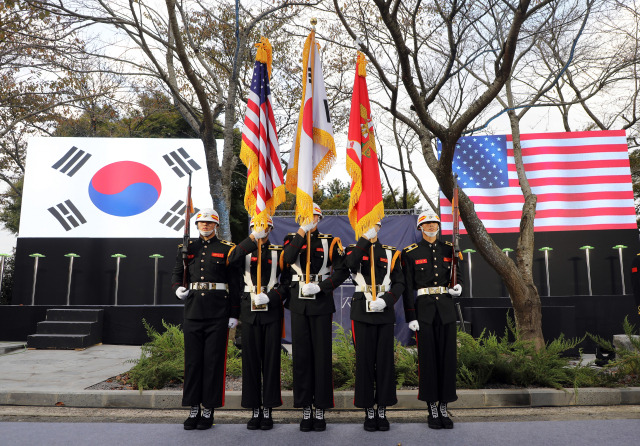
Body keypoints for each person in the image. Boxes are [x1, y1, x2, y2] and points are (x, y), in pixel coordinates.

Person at [282, 203, 349, 432]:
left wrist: (322, 287)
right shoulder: (292, 238)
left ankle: (320, 407)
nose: (311, 220)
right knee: (301, 357)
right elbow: (288, 259)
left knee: (322, 357)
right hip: (299, 304)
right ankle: (305, 408)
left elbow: (342, 271)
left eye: (313, 217)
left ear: (319, 219)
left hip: (320, 302)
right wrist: (302, 231)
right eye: (306, 217)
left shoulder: (331, 241)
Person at [171, 208, 241, 430]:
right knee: (193, 362)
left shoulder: (227, 249)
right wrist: (177, 289)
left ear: (216, 226)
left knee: (212, 362)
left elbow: (235, 283)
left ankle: (208, 409)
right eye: (201, 222)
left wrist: (234, 314)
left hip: (217, 311)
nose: (205, 226)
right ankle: (193, 408)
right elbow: (176, 274)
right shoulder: (187, 247)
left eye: (209, 223)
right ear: (197, 225)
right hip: (193, 310)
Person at [401, 211, 462, 430]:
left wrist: (458, 287)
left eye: (434, 223)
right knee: (427, 360)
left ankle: (444, 405)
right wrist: (411, 316)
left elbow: (457, 275)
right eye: (426, 224)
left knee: (447, 360)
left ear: (438, 226)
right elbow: (407, 287)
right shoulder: (410, 253)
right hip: (424, 311)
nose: (430, 227)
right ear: (420, 228)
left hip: (445, 310)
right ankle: (432, 408)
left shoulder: (449, 249)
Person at [228, 215, 290, 430]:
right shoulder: (243, 250)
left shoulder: (279, 252)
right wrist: (252, 238)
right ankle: (254, 408)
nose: (261, 229)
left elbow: (288, 282)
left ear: (271, 229)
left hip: (271, 310)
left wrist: (272, 296)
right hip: (248, 310)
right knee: (251, 362)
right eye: (256, 226)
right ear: (252, 228)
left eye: (264, 226)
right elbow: (231, 260)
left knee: (271, 362)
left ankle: (268, 409)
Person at [345, 221, 404, 432]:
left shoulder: (390, 252)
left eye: (374, 225)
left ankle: (382, 409)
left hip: (383, 310)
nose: (371, 229)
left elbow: (399, 283)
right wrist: (363, 240)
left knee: (385, 362)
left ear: (379, 228)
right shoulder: (353, 249)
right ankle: (368, 409)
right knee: (364, 362)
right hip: (361, 311)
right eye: (366, 225)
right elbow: (349, 265)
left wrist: (387, 300)